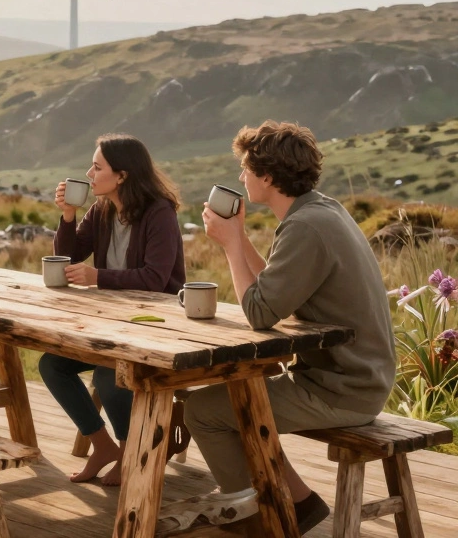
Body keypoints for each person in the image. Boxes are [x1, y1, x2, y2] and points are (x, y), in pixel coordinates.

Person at [190, 121, 394, 534]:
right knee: (237, 399)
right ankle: (298, 502)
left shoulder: (304, 226)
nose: (241, 176)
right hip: (355, 377)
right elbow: (278, 292)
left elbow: (261, 312)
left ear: (267, 176)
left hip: (343, 389)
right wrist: (241, 237)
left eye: (245, 168)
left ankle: (256, 517)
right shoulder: (321, 211)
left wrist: (230, 244)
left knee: (201, 411)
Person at [43, 133, 185, 485]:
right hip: (114, 323)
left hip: (156, 324)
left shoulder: (159, 213)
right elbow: (70, 256)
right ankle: (103, 445)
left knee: (109, 374)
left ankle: (132, 450)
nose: (89, 174)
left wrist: (97, 276)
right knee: (52, 365)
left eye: (97, 167)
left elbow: (155, 278)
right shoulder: (102, 210)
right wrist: (68, 214)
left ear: (121, 175)